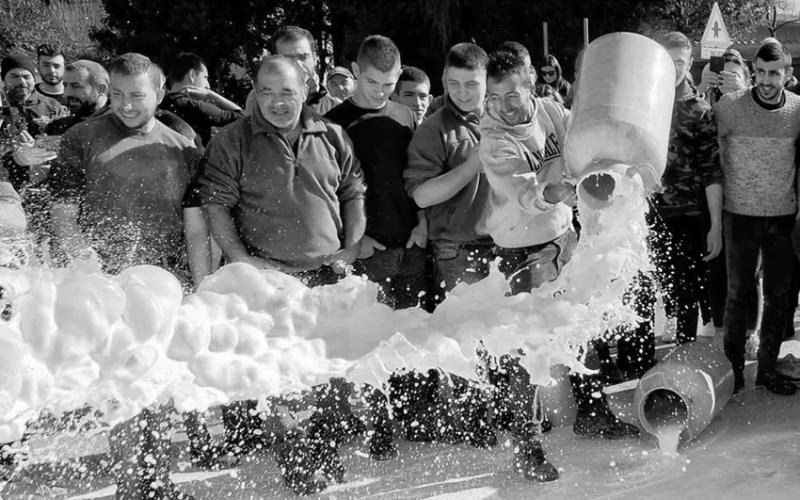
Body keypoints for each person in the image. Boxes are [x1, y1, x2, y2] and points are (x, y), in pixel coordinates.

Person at [48, 52, 204, 499]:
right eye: (116, 94)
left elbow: (195, 226)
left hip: (164, 283)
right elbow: (62, 216)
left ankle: (158, 483)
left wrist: (198, 284)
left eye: (137, 95)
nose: (126, 105)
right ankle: (131, 487)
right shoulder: (82, 137)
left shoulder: (183, 147)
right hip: (106, 286)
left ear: (159, 92)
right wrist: (87, 269)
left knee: (156, 388)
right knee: (119, 391)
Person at [715, 39, 800, 395]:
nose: (766, 80)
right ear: (753, 72)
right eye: (761, 73)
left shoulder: (797, 110)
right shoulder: (730, 107)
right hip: (739, 215)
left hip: (782, 216)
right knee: (738, 294)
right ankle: (733, 373)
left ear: (788, 74)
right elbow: (711, 156)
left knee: (779, 297)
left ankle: (766, 369)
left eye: (774, 73)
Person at [326, 35, 426, 309]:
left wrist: (422, 221)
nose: (380, 92)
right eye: (372, 82)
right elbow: (328, 193)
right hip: (367, 253)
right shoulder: (332, 125)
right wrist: (355, 240)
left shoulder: (406, 116)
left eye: (388, 84)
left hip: (412, 246)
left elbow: (416, 174)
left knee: (418, 337)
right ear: (356, 71)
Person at [648, 32, 723, 345]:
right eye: (668, 60)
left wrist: (715, 225)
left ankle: (685, 348)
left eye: (680, 61)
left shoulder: (700, 111)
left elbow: (711, 171)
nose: (674, 68)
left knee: (688, 286)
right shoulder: (647, 101)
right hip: (652, 212)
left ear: (690, 63)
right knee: (664, 283)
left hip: (689, 213)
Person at [404, 43, 493, 307]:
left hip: (510, 245)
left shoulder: (506, 118)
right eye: (454, 83)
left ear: (488, 80)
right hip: (459, 249)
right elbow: (421, 196)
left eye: (471, 84)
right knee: (468, 338)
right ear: (443, 78)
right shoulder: (433, 129)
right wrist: (471, 166)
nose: (462, 93)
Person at [244, 26, 340, 116]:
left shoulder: (336, 108)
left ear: (315, 58)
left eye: (303, 57)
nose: (298, 64)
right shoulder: (258, 100)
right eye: (288, 59)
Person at [161, 52, 243, 146]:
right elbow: (242, 119)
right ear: (192, 75)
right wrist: (210, 94)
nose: (207, 85)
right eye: (205, 77)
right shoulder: (194, 106)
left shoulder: (159, 103)